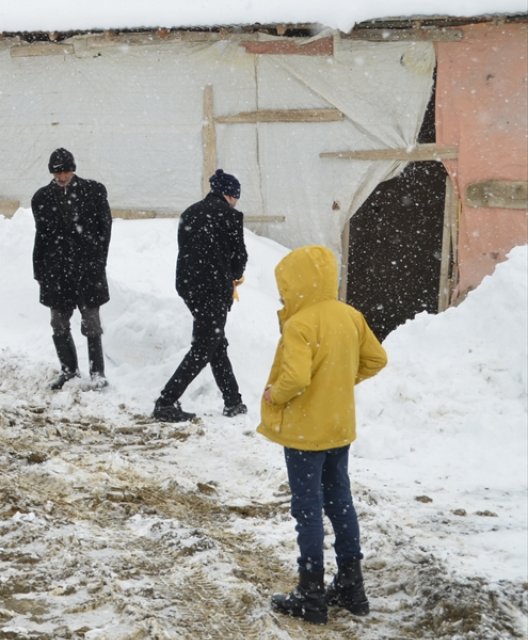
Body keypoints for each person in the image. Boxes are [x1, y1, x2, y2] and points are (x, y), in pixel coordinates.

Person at [260, 245, 388, 625]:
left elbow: (296, 378)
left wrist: (275, 392)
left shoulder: (300, 324)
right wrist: (342, 380)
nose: (283, 294)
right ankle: (352, 584)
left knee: (308, 509)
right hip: (338, 426)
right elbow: (376, 359)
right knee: (340, 502)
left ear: (299, 283)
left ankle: (311, 593)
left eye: (286, 285)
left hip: (304, 433)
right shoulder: (350, 316)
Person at [152, 169, 249, 421]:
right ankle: (166, 401)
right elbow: (239, 258)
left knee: (215, 340)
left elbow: (186, 250)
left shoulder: (190, 212)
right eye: (236, 196)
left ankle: (233, 400)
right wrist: (233, 275)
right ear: (229, 194)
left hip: (189, 286)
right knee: (205, 345)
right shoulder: (229, 216)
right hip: (214, 287)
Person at [30, 148, 113, 390]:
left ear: (73, 170)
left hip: (87, 269)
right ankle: (69, 370)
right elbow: (42, 237)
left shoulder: (93, 192)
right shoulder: (42, 198)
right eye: (58, 173)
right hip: (56, 271)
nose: (62, 177)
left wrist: (98, 260)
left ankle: (97, 371)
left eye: (66, 171)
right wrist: (40, 269)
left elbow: (104, 230)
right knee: (58, 322)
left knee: (91, 321)